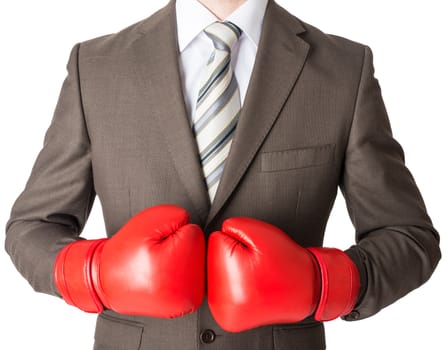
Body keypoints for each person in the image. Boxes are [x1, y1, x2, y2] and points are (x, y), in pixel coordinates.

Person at [4, 0, 441, 349]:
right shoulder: (96, 66)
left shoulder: (345, 69)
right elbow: (31, 228)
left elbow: (409, 237)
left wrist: (325, 282)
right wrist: (96, 275)